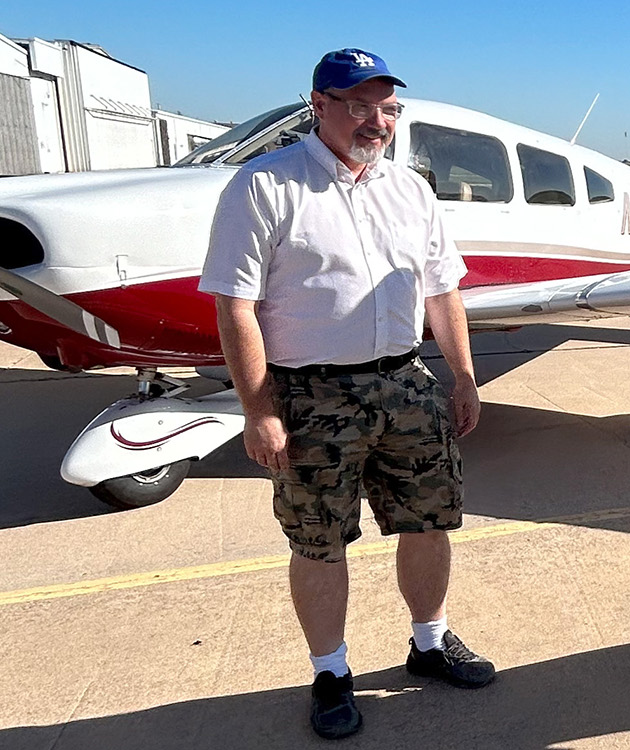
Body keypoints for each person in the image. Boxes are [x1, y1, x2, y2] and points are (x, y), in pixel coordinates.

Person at [201, 48, 494, 740]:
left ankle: (429, 642)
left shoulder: (411, 189)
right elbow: (235, 308)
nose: (376, 121)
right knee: (319, 540)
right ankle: (331, 672)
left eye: (388, 108)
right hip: (311, 395)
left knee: (430, 521)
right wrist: (258, 409)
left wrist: (464, 375)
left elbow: (441, 289)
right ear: (319, 105)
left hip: (405, 381)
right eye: (359, 105)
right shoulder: (265, 185)